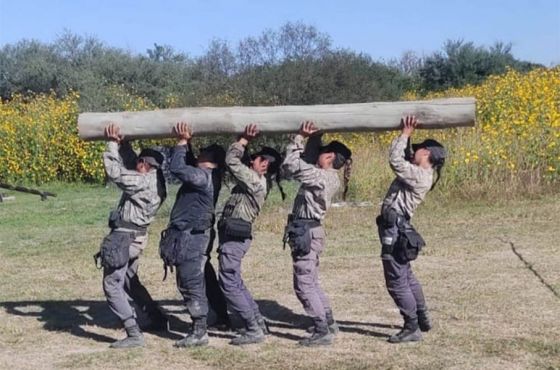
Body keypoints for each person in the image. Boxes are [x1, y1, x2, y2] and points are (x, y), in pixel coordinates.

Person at [281, 121, 352, 346]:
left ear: (329, 157)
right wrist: (315, 137)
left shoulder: (320, 177)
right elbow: (309, 160)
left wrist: (300, 137)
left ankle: (321, 330)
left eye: (322, 152)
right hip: (311, 230)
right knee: (311, 280)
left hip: (306, 231)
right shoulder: (327, 175)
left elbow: (292, 164)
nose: (317, 155)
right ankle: (328, 321)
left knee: (303, 283)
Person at [376, 115, 446, 343]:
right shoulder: (424, 173)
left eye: (418, 150)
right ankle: (422, 317)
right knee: (407, 276)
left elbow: (396, 160)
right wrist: (409, 136)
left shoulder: (418, 174)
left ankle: (411, 326)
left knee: (396, 280)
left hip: (394, 230)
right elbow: (405, 158)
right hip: (399, 227)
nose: (414, 152)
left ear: (426, 153)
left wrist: (405, 134)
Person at [98, 123, 167, 349]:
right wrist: (124, 143)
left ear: (144, 165)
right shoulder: (155, 180)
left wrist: (111, 144)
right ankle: (156, 317)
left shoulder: (140, 181)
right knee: (129, 280)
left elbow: (115, 172)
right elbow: (130, 164)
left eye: (138, 162)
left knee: (112, 284)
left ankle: (133, 332)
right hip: (136, 237)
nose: (135, 163)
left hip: (125, 238)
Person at [159, 122, 227, 348]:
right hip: (196, 234)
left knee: (190, 280)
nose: (199, 153)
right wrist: (187, 142)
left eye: (203, 151)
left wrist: (180, 142)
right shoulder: (209, 174)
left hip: (191, 237)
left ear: (211, 159)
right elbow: (188, 163)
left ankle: (199, 331)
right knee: (203, 276)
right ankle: (220, 317)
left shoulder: (202, 176)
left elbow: (178, 168)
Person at [217, 124, 281, 346]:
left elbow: (232, 161)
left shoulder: (255, 181)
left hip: (235, 238)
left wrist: (243, 141)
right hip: (234, 237)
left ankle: (253, 329)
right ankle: (257, 321)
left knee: (228, 282)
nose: (251, 159)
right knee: (234, 280)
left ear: (264, 164)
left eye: (255, 158)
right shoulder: (258, 180)